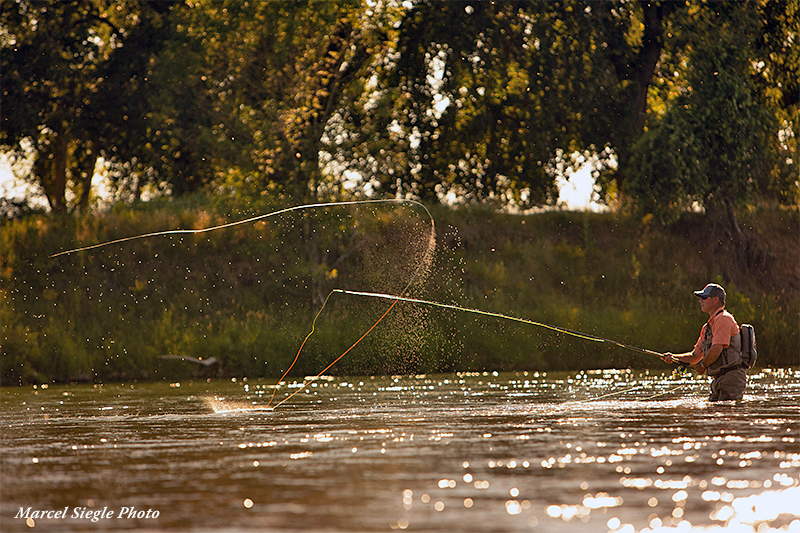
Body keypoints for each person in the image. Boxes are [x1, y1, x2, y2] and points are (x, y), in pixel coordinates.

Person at [661, 283, 746, 401]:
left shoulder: (724, 319)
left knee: (725, 415)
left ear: (716, 299)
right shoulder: (707, 328)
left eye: (704, 297)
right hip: (718, 380)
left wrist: (702, 365)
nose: (701, 301)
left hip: (731, 378)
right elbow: (695, 356)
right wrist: (673, 357)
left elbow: (716, 349)